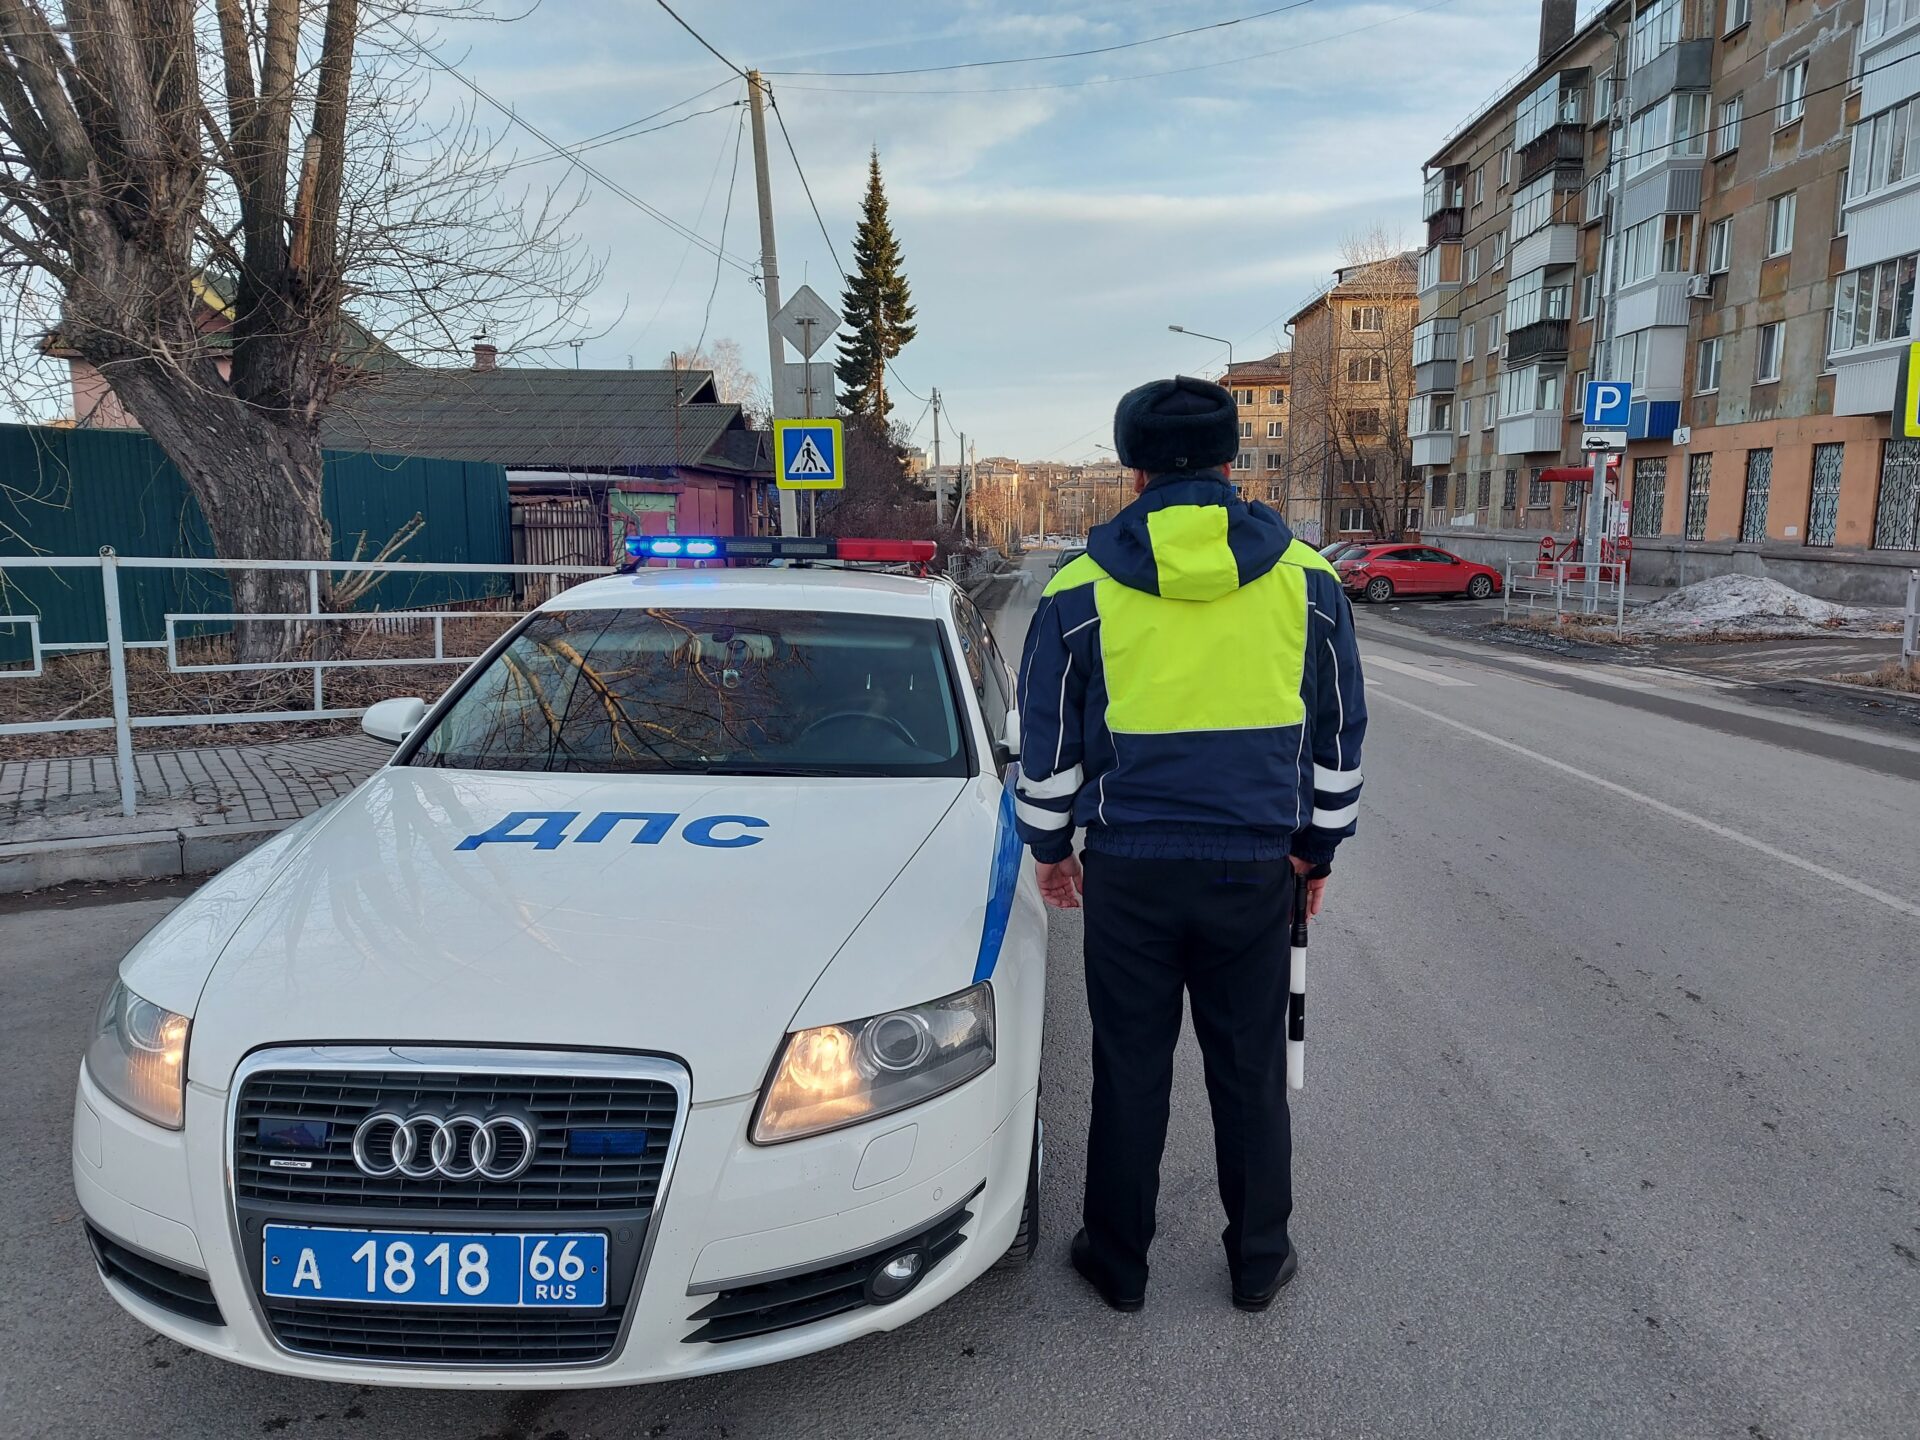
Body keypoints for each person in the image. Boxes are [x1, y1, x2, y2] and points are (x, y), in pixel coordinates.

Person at [1014, 375, 1367, 1313]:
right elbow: (1337, 739)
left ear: (1133, 472)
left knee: (1129, 1067)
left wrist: (1052, 848)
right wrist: (1315, 852)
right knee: (1249, 1068)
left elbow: (1045, 748)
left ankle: (1118, 1263)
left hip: (1129, 872)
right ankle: (1258, 1261)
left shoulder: (1078, 589)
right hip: (1254, 871)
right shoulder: (1309, 580)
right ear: (1230, 460)